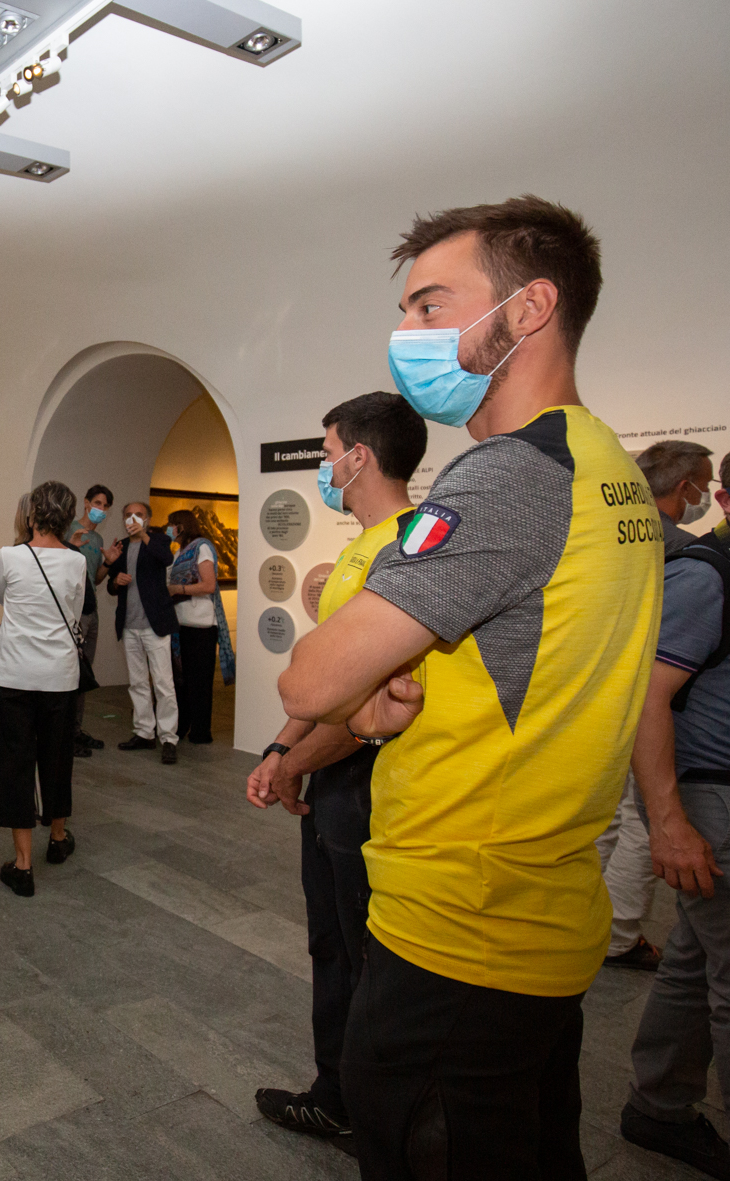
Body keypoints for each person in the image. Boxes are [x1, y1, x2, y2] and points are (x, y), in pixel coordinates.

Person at [278, 195, 662, 1178]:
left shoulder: (508, 476)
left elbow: (311, 676)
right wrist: (377, 705)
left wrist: (352, 690)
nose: (406, 333)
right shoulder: (605, 464)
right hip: (535, 917)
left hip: (458, 926)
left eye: (429, 305)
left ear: (528, 308)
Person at [244, 391, 427, 1141]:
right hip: (332, 775)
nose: (322, 467)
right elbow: (329, 681)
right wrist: (280, 749)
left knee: (363, 954)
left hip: (369, 779)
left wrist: (293, 762)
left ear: (360, 455)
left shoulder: (405, 550)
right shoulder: (362, 545)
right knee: (333, 942)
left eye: (326, 453)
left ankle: (367, 1112)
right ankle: (338, 1091)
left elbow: (368, 710)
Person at [619, 459, 730, 1177]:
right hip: (712, 797)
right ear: (718, 496)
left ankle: (658, 1105)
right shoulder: (705, 575)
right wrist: (669, 821)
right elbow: (647, 698)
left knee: (693, 955)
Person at [598, 441, 722, 972]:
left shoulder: (606, 532)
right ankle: (619, 933)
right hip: (642, 702)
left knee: (606, 818)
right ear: (685, 486)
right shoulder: (682, 550)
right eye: (706, 485)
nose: (706, 496)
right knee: (635, 817)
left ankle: (596, 926)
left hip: (597, 693)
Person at [0, 481, 85, 897]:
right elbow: (74, 612)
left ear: (32, 514)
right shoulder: (77, 561)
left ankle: (23, 864)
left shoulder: (9, 556)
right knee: (57, 757)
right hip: (59, 676)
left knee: (14, 762)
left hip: (13, 674)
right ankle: (58, 838)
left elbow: (1, 597)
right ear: (68, 518)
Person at [102, 500, 179, 763]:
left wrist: (144, 535)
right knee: (137, 683)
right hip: (129, 625)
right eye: (128, 515)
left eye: (138, 514)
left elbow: (166, 559)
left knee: (163, 684)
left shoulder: (158, 540)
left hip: (155, 625)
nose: (132, 518)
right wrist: (116, 581)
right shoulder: (121, 546)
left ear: (147, 518)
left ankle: (168, 738)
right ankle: (144, 732)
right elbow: (111, 586)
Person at [165, 510, 220, 746]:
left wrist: (179, 589)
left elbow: (208, 585)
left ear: (181, 526)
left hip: (201, 626)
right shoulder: (178, 552)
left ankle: (200, 731)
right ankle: (182, 725)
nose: (169, 529)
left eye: (171, 524)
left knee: (199, 682)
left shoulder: (202, 547)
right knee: (182, 680)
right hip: (181, 624)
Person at [67, 485, 113, 756]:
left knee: (82, 675)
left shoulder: (97, 539)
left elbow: (95, 579)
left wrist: (108, 564)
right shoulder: (70, 531)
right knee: (71, 673)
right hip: (73, 613)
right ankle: (64, 736)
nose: (100, 509)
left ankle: (75, 730)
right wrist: (70, 548)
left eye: (105, 506)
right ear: (85, 503)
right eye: (97, 503)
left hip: (91, 612)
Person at [640, 439, 716, 556]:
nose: (707, 492)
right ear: (686, 488)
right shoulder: (689, 548)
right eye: (706, 484)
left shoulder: (622, 531)